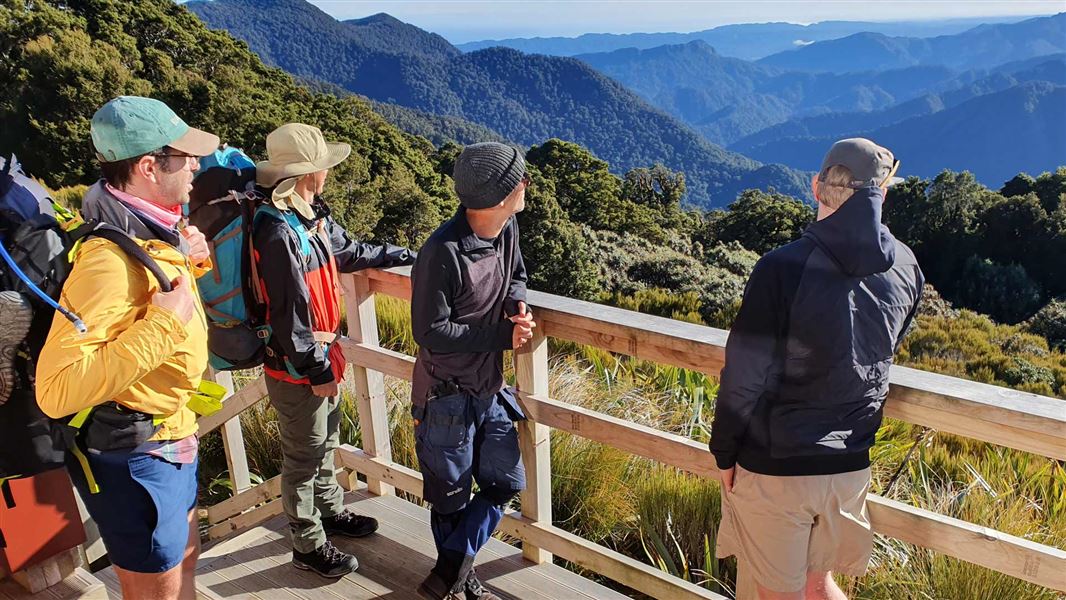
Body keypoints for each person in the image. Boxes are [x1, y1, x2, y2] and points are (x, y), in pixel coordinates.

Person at [709, 138, 924, 600]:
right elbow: (886, 348)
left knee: (777, 593)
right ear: (882, 195)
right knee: (819, 584)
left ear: (815, 187)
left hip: (776, 464)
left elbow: (743, 376)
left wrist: (724, 451)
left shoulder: (781, 267)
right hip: (849, 463)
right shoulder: (906, 266)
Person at [36, 96, 219, 600]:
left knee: (182, 555)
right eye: (184, 157)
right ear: (147, 166)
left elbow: (144, 303)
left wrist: (186, 260)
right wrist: (162, 325)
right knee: (153, 582)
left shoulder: (148, 229)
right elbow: (57, 389)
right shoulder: (105, 260)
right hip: (137, 454)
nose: (196, 166)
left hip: (170, 434)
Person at [252, 123, 416, 578]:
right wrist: (316, 368)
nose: (327, 174)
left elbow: (350, 251)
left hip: (321, 357)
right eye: (323, 167)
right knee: (303, 455)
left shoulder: (308, 216)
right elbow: (288, 315)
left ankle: (329, 512)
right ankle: (307, 545)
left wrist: (403, 254)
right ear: (310, 173)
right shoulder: (277, 230)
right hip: (298, 365)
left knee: (325, 442)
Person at [410, 142, 535, 600]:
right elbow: (430, 332)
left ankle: (451, 573)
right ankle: (463, 578)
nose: (526, 186)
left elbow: (517, 273)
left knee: (506, 483)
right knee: (449, 497)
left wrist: (515, 304)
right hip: (445, 395)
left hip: (488, 387)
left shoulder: (507, 227)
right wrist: (503, 338)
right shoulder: (442, 252)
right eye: (521, 180)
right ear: (503, 195)